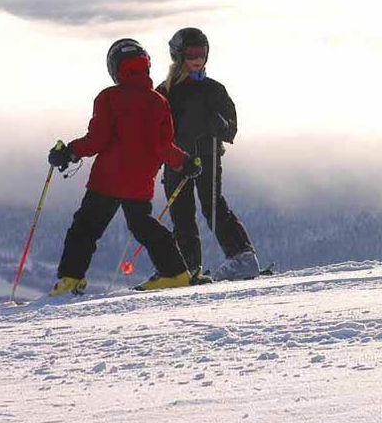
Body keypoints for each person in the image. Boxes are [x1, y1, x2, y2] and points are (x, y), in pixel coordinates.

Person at [47, 39, 202, 296]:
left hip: (106, 181)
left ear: (114, 68)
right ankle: (175, 273)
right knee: (143, 226)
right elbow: (163, 147)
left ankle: (71, 279)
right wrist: (185, 163)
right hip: (139, 182)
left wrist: (68, 152)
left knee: (85, 228)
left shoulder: (109, 98)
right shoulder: (158, 103)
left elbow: (96, 140)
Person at [156, 27, 260, 282]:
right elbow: (156, 128)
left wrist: (221, 126)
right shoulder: (165, 92)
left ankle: (242, 259)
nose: (197, 59)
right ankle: (189, 268)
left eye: (201, 53)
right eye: (192, 53)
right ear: (178, 56)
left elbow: (231, 127)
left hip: (207, 156)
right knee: (182, 212)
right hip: (178, 159)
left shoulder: (214, 89)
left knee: (212, 205)